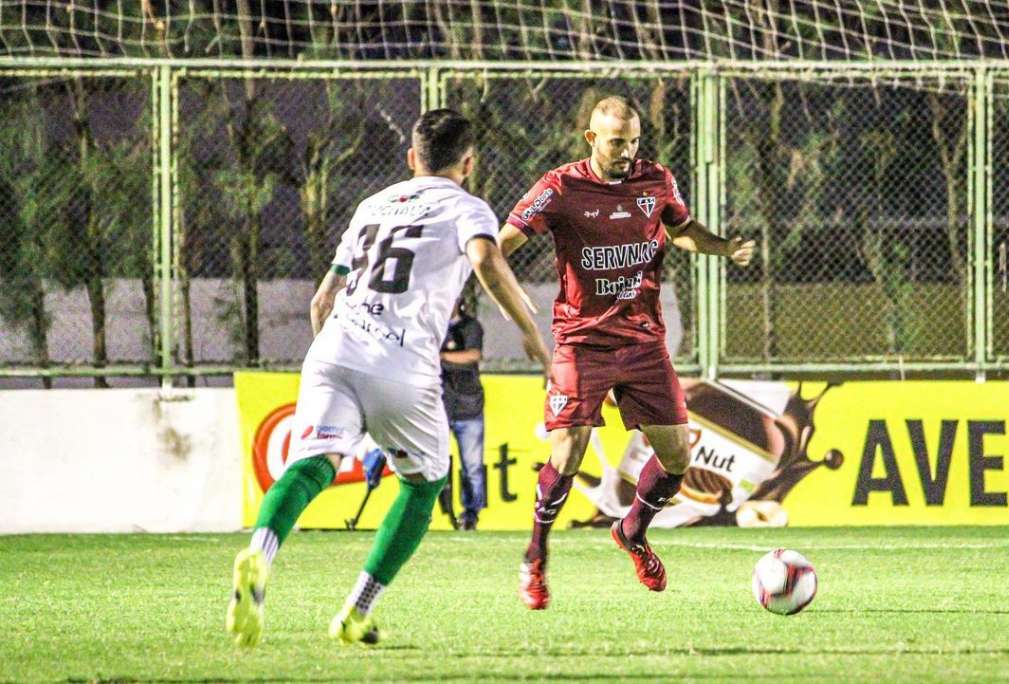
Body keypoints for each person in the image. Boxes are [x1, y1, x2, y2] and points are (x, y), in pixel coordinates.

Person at [227, 108, 550, 647]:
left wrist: (333, 357)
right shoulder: (467, 207)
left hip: (334, 350)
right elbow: (487, 259)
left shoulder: (373, 205)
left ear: (411, 158)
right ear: (468, 163)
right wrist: (531, 332)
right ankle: (356, 611)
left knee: (311, 466)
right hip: (402, 365)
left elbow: (322, 299)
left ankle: (260, 553)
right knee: (425, 486)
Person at [500, 96, 755, 610]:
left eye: (634, 141)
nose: (627, 151)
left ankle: (632, 531)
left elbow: (681, 232)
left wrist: (724, 247)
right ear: (592, 139)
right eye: (617, 142)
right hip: (581, 341)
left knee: (678, 457)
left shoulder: (655, 180)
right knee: (567, 452)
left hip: (642, 340)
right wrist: (501, 284)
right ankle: (535, 558)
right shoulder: (559, 187)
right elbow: (503, 241)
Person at [440, 298, 487, 530]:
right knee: (434, 462)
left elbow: (472, 355)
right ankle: (432, 510)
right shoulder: (433, 324)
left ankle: (470, 515)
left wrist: (441, 358)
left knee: (473, 466)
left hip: (469, 407)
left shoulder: (470, 327)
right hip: (438, 407)